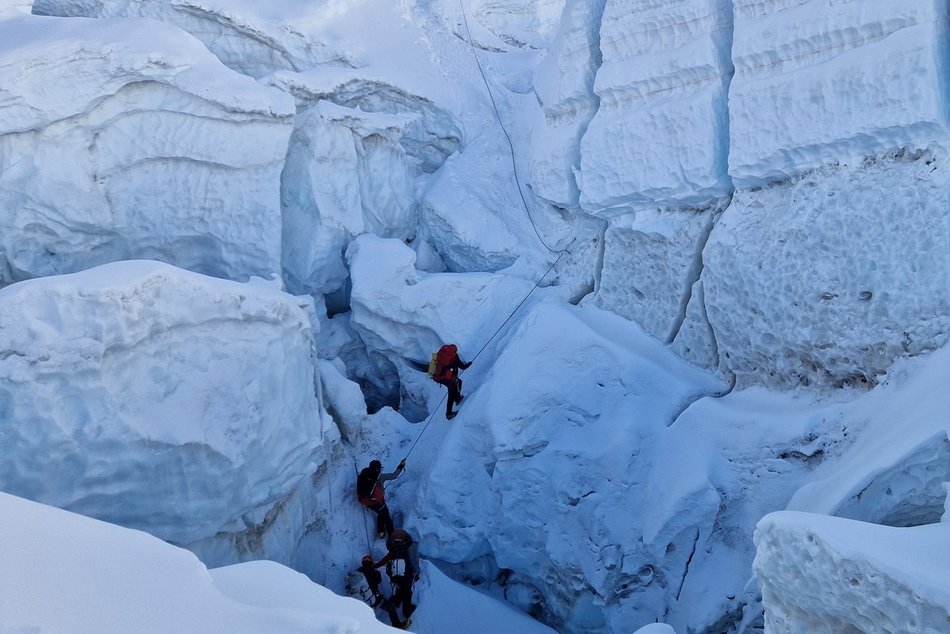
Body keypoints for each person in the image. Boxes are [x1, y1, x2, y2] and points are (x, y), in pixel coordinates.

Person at [373, 529, 418, 629]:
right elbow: (413, 562)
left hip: (394, 578)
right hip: (406, 577)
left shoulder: (393, 551)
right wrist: (416, 573)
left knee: (399, 590)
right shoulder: (407, 550)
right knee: (407, 593)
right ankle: (407, 611)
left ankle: (394, 602)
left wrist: (375, 566)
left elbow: (385, 560)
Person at [356, 459, 405, 538]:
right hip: (378, 501)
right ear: (378, 469)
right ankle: (392, 536)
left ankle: (381, 532)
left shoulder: (363, 475)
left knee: (381, 513)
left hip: (367, 502)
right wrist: (401, 466)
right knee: (387, 518)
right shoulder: (380, 476)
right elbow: (394, 475)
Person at [431, 343, 471, 419]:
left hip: (440, 378)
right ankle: (449, 414)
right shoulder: (454, 356)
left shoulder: (442, 355)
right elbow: (462, 367)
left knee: (458, 382)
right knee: (451, 393)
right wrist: (468, 364)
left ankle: (458, 398)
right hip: (448, 378)